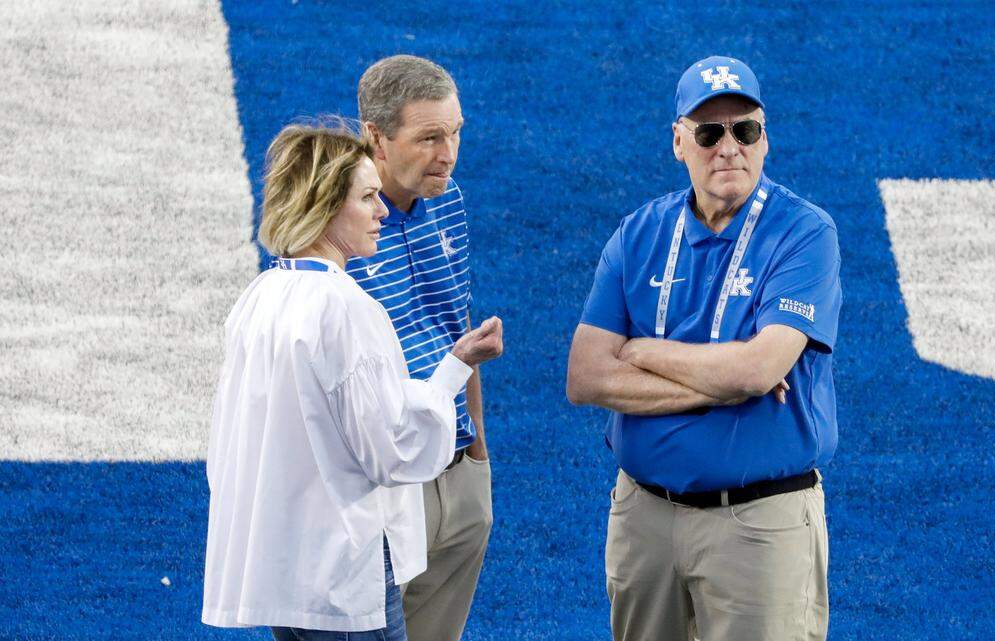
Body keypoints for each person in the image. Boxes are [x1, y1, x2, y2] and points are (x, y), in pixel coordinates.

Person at [566, 56, 842, 641]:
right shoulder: (637, 233)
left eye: (746, 130)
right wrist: (724, 378)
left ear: (764, 140)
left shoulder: (804, 233)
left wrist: (641, 350)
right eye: (709, 132)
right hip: (643, 518)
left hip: (758, 526)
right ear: (678, 143)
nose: (729, 148)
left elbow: (756, 369)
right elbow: (586, 377)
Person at [201, 123, 504, 640]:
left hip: (284, 572)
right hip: (344, 577)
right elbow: (390, 450)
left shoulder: (259, 296)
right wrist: (454, 375)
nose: (383, 211)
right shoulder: (347, 307)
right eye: (367, 198)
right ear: (324, 205)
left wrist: (453, 362)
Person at [347, 55, 491, 641]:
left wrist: (479, 457)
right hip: (384, 489)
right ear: (375, 137)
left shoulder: (450, 201)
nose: (449, 154)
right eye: (430, 137)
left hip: (457, 475)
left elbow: (458, 328)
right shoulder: (335, 226)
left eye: (456, 132)